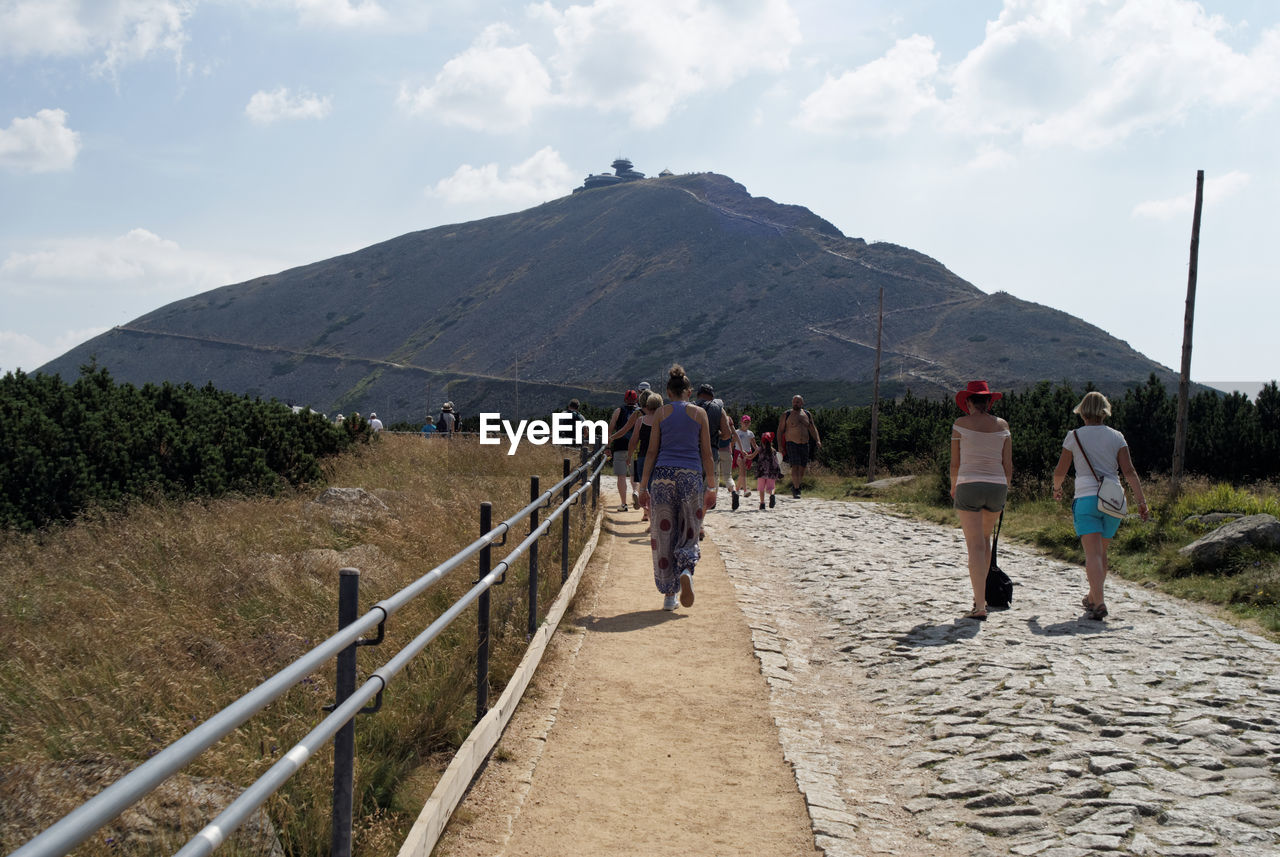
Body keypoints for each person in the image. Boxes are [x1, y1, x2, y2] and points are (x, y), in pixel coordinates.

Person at [1052, 391, 1149, 621]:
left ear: (1082, 411)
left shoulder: (1073, 436)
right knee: (1101, 554)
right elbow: (1129, 471)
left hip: (1086, 499)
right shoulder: (1117, 436)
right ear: (1105, 410)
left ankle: (1099, 602)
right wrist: (1141, 502)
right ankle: (1093, 597)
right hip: (1113, 501)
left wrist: (1057, 489)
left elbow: (1060, 471)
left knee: (1093, 554)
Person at [639, 365, 717, 611]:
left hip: (662, 476)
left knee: (664, 533)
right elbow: (706, 454)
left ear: (668, 392)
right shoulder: (699, 414)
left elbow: (651, 452)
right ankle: (685, 569)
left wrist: (643, 487)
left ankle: (669, 595)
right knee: (689, 530)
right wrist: (712, 486)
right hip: (690, 475)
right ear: (688, 391)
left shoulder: (661, 413)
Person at [949, 380, 1014, 621]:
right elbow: (1008, 464)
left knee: (975, 546)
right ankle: (982, 598)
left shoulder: (960, 424)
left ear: (968, 402)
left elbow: (955, 462)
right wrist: (1005, 487)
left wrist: (953, 485)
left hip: (969, 484)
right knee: (985, 543)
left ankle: (979, 605)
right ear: (988, 401)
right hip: (997, 485)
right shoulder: (1003, 425)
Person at [628, 391, 662, 522]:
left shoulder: (641, 420)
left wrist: (629, 455)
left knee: (645, 485)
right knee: (657, 486)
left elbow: (633, 440)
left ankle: (646, 513)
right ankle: (655, 513)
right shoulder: (663, 421)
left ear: (647, 405)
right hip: (660, 457)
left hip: (642, 457)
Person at [779, 395, 821, 498]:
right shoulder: (787, 414)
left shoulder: (807, 414)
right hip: (792, 443)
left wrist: (818, 440)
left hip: (805, 444)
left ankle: (795, 486)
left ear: (802, 403)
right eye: (794, 402)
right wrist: (780, 445)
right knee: (795, 465)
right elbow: (780, 430)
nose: (795, 404)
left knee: (802, 467)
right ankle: (797, 489)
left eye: (797, 402)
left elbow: (812, 428)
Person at [695, 383, 734, 495]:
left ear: (698, 395)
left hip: (692, 452)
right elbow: (727, 434)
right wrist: (717, 435)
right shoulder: (718, 409)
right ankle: (702, 510)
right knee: (707, 490)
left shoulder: (690, 407)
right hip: (711, 452)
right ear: (712, 396)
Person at [607, 390, 641, 511]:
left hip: (620, 446)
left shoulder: (618, 411)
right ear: (636, 400)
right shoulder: (640, 413)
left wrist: (608, 445)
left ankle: (623, 504)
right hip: (636, 447)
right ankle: (636, 492)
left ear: (625, 399)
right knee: (634, 475)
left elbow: (610, 429)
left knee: (621, 476)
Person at [733, 414, 758, 506]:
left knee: (741, 473)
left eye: (748, 422)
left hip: (748, 453)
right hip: (738, 453)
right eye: (745, 422)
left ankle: (736, 490)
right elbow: (732, 443)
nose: (746, 423)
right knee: (743, 470)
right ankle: (745, 490)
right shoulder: (737, 432)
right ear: (741, 422)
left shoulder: (750, 433)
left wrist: (762, 450)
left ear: (750, 423)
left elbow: (755, 446)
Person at [753, 431, 783, 510]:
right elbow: (776, 462)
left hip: (761, 472)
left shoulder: (759, 449)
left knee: (761, 488)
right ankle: (772, 495)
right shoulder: (773, 450)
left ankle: (762, 503)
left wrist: (745, 455)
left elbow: (751, 457)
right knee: (771, 487)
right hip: (771, 472)